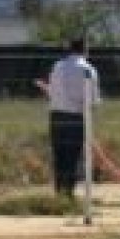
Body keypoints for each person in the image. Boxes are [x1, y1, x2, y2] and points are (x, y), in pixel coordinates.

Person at [41, 37, 100, 197]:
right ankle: (68, 193)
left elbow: (52, 92)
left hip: (56, 116)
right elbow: (93, 100)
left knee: (59, 155)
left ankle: (59, 193)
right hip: (76, 117)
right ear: (85, 49)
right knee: (73, 157)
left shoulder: (57, 66)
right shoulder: (88, 69)